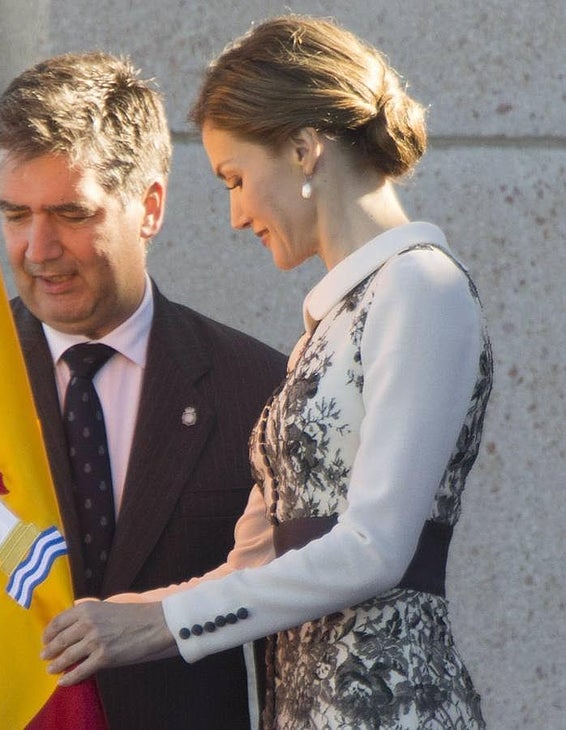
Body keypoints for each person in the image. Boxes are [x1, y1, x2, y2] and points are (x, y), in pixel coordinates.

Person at [40, 15, 492, 730]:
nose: (235, 213)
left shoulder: (421, 287)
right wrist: (130, 616)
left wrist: (166, 625)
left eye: (236, 179)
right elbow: (255, 560)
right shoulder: (334, 321)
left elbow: (374, 549)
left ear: (306, 149)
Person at [0, 52, 287, 728]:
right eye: (15, 214)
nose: (37, 248)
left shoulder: (258, 390)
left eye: (69, 213)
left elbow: (289, 635)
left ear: (148, 206)